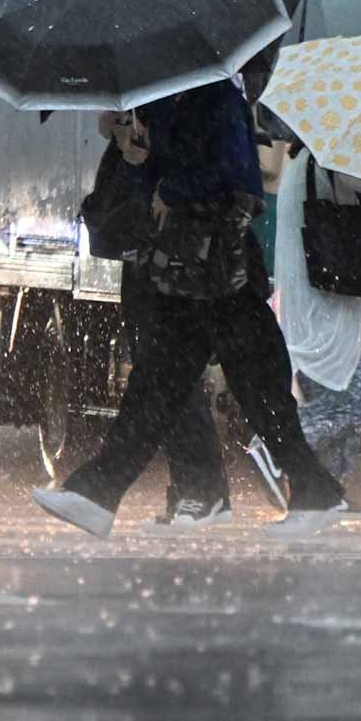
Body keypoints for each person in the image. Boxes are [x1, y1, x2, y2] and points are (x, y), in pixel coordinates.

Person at [33, 80, 361, 539]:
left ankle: (101, 492)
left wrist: (173, 190)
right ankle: (99, 492)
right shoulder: (165, 102)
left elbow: (239, 176)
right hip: (186, 274)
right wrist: (134, 156)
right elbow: (149, 192)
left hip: (219, 270)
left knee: (228, 387)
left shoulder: (215, 98)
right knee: (173, 385)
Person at [94, 111, 235, 532]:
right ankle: (186, 491)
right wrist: (124, 141)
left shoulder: (194, 111)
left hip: (176, 264)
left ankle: (205, 491)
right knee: (162, 381)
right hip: (144, 268)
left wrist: (152, 157)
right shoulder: (142, 113)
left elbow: (202, 183)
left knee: (176, 381)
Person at [273, 150, 361, 481]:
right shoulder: (325, 163)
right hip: (322, 307)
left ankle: (327, 492)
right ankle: (274, 448)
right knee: (351, 405)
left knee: (344, 407)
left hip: (328, 304)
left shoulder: (305, 162)